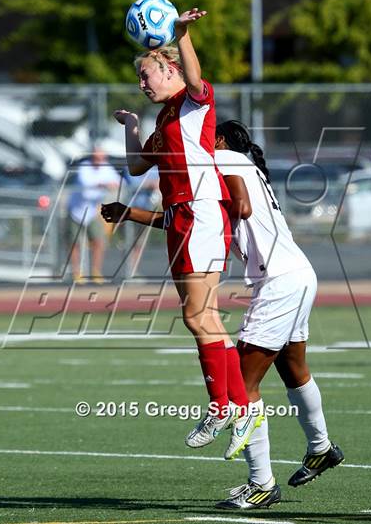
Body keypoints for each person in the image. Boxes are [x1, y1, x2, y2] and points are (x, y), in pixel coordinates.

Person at [102, 120, 344, 510]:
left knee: (240, 385)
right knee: (294, 369)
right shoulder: (234, 164)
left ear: (216, 140)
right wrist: (131, 214)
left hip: (279, 282)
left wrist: (218, 222)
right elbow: (181, 220)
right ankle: (320, 447)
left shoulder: (223, 158)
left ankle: (261, 483)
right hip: (298, 273)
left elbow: (241, 206)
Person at [107, 8, 259, 461]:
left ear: (169, 68)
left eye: (147, 74)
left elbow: (195, 79)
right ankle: (239, 407)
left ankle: (223, 406)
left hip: (198, 214)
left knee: (196, 316)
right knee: (205, 316)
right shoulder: (161, 122)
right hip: (181, 218)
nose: (142, 83)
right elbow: (136, 165)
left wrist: (182, 34)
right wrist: (133, 127)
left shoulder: (192, 103)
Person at [67, 147, 121, 283]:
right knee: (75, 243)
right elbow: (87, 187)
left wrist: (110, 184)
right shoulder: (84, 168)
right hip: (76, 211)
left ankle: (96, 271)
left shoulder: (107, 168)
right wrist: (104, 184)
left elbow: (119, 182)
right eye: (97, 158)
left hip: (92, 211)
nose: (100, 161)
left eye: (102, 158)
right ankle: (76, 273)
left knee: (99, 241)